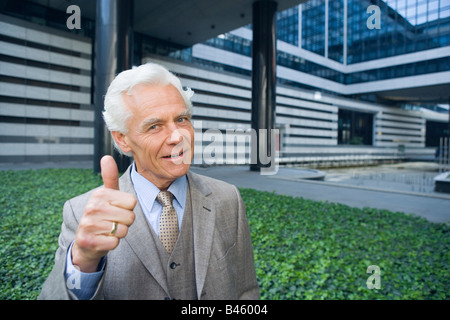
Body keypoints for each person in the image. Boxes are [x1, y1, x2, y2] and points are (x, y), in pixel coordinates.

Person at [38, 63, 259, 300]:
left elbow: (245, 291)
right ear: (122, 139)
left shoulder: (228, 198)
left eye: (182, 119)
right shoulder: (81, 213)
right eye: (154, 126)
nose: (178, 137)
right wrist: (83, 260)